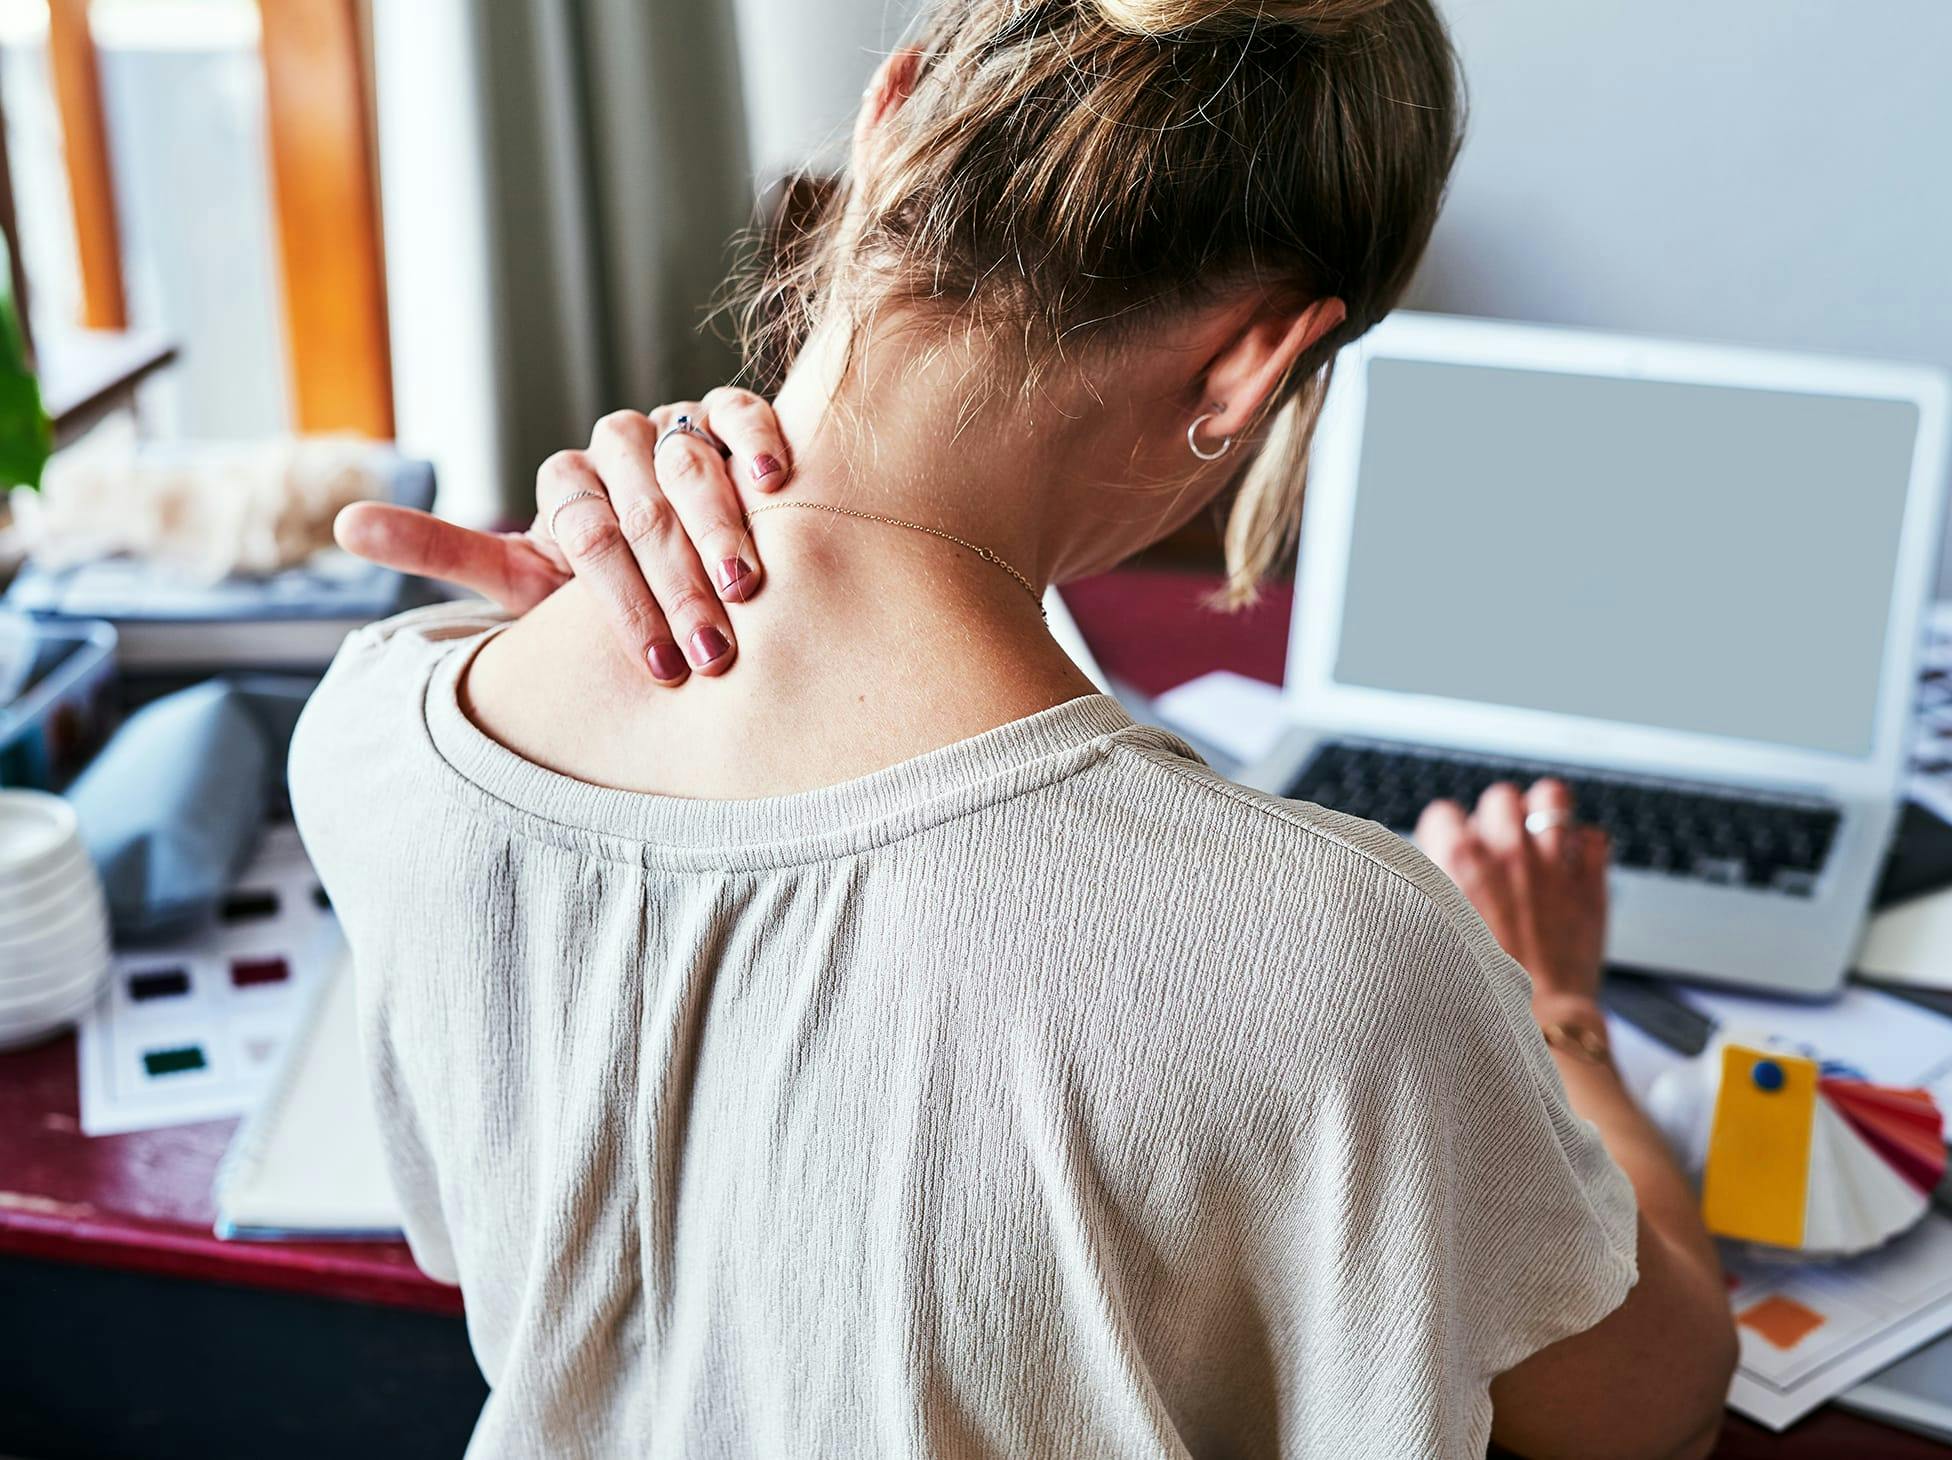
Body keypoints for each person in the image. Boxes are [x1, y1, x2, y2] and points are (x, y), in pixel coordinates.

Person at [294, 1, 1738, 1455]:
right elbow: (1648, 1409)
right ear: (1257, 361)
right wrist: (1557, 1011)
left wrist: (553, 638)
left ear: (886, 118)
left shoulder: (377, 732)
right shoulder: (1343, 959)